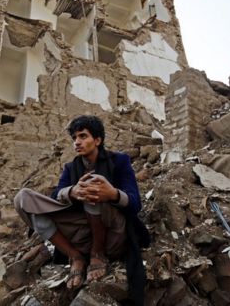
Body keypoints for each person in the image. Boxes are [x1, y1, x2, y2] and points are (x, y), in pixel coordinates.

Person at [14, 115, 149, 302]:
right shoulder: (71, 167)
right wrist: (71, 192)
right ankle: (75, 257)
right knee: (23, 198)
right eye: (74, 138)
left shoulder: (119, 161)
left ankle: (98, 255)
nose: (77, 142)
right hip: (82, 235)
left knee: (94, 186)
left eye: (83, 136)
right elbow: (56, 196)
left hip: (114, 234)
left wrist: (112, 194)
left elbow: (135, 203)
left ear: (97, 140)